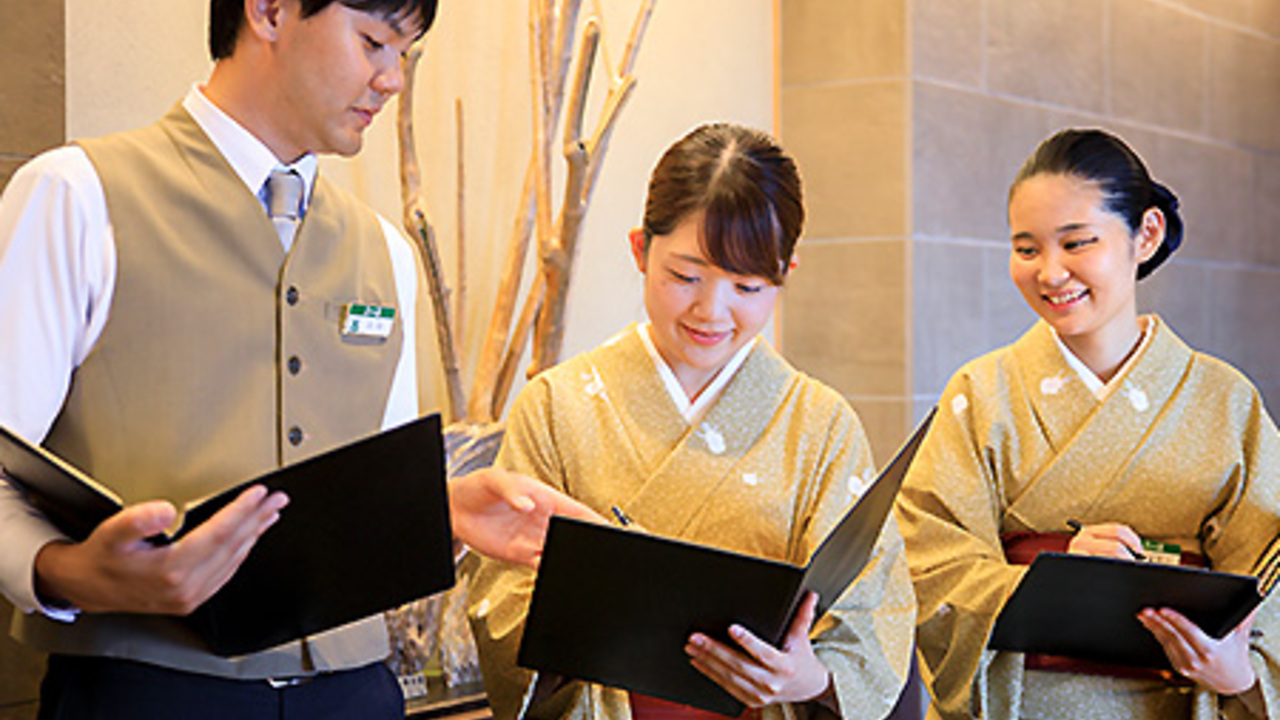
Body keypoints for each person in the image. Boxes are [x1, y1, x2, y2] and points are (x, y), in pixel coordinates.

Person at [0, 1, 599, 718]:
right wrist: (67, 572)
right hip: (148, 692)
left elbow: (358, 503)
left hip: (356, 693)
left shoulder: (388, 254)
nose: (392, 79)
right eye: (374, 41)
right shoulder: (77, 196)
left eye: (404, 52)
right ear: (270, 11)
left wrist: (437, 511)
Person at [467, 123, 917, 720]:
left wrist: (809, 677)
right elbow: (503, 596)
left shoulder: (820, 423)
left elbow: (873, 608)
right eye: (685, 277)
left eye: (748, 286)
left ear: (785, 273)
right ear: (640, 250)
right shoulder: (555, 405)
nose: (712, 310)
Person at [894, 128, 1280, 719]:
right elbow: (928, 566)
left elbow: (1269, 576)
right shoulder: (981, 393)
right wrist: (1051, 585)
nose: (1051, 273)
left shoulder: (1225, 400)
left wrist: (1242, 672)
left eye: (1077, 243)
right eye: (1027, 250)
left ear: (1145, 235)